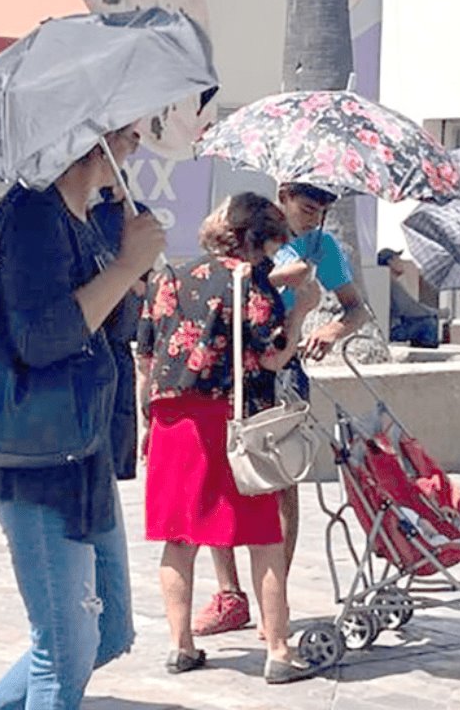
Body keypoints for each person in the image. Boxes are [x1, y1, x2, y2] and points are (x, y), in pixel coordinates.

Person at [0, 124, 164, 710]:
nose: (133, 136)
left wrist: (132, 271)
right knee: (64, 648)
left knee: (107, 631)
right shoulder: (30, 216)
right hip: (37, 452)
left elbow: (106, 328)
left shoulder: (85, 219)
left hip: (85, 446)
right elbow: (41, 337)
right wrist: (126, 270)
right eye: (119, 125)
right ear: (81, 136)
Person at [137, 192, 310, 684]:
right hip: (234, 420)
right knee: (264, 538)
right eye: (274, 244)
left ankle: (180, 645)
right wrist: (301, 312)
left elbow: (145, 357)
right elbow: (273, 354)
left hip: (173, 420)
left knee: (178, 538)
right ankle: (278, 651)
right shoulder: (250, 281)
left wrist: (145, 423)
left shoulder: (167, 276)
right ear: (258, 241)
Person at [190, 182, 369, 639]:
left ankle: (275, 592)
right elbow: (219, 276)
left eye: (320, 211)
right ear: (284, 196)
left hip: (282, 368)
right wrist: (272, 278)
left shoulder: (320, 246)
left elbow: (356, 308)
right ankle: (230, 593)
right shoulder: (243, 225)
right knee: (221, 474)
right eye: (306, 208)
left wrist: (331, 328)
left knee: (281, 477)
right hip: (230, 366)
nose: (311, 219)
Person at [90, 176, 151, 481]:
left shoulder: (138, 213)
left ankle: (120, 458)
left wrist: (140, 281)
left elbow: (149, 253)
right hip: (104, 303)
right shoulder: (95, 215)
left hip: (124, 306)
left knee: (122, 379)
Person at [377, 247, 441, 348]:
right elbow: (409, 308)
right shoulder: (390, 282)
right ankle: (426, 356)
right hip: (393, 330)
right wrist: (436, 312)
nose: (401, 262)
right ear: (390, 262)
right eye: (397, 259)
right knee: (428, 323)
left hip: (387, 328)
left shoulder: (384, 280)